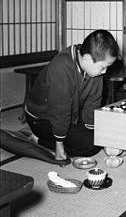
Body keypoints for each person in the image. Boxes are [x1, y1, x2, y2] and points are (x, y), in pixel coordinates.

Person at [25, 29, 119, 161]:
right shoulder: (62, 67)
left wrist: (95, 132)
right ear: (87, 59)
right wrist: (59, 145)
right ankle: (39, 138)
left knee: (100, 137)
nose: (105, 71)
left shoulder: (93, 67)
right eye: (103, 67)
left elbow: (93, 102)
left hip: (71, 114)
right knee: (90, 146)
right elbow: (59, 110)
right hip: (42, 117)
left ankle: (63, 137)